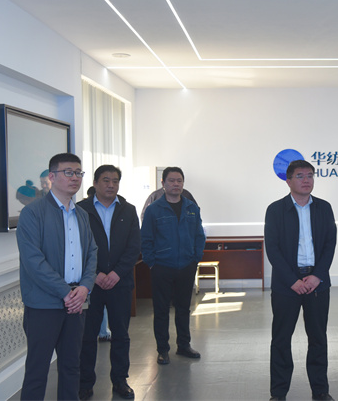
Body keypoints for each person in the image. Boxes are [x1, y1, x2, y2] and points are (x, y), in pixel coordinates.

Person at [16, 153, 98, 400]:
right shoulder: (32, 213)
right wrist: (66, 292)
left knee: (72, 366)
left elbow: (91, 253)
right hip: (44, 305)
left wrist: (84, 288)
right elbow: (33, 261)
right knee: (37, 370)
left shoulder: (81, 214)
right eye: (68, 172)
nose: (75, 178)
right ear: (52, 177)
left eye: (79, 173)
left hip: (77, 303)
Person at [264, 160, 337, 401]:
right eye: (300, 176)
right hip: (287, 285)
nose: (307, 180)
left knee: (318, 338)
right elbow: (273, 249)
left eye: (310, 175)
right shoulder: (275, 210)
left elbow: (330, 244)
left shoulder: (324, 208)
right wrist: (292, 281)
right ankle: (278, 393)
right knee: (281, 339)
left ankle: (320, 390)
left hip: (317, 283)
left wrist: (317, 276)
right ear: (288, 180)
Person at [77, 165, 141, 400]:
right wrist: (95, 274)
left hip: (120, 283)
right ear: (95, 183)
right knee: (87, 336)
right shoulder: (80, 210)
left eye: (115, 181)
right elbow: (77, 246)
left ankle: (120, 380)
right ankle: (85, 383)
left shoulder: (128, 210)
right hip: (89, 284)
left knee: (121, 335)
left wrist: (116, 273)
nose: (111, 185)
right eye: (106, 180)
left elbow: (134, 247)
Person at [141, 167, 205, 365]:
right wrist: (152, 263)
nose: (176, 184)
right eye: (171, 180)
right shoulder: (153, 209)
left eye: (179, 181)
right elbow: (146, 239)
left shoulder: (192, 208)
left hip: (186, 266)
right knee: (161, 310)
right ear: (163, 183)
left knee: (184, 309)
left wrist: (195, 258)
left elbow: (199, 235)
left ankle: (184, 345)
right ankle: (162, 349)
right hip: (162, 267)